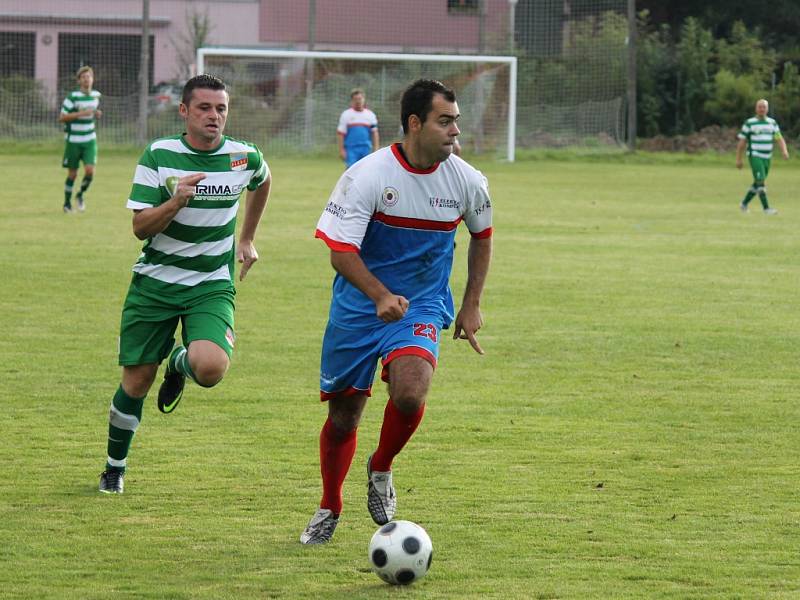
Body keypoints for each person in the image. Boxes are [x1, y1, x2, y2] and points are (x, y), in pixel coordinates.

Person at [300, 79, 493, 544]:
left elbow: (482, 237)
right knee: (344, 417)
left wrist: (469, 305)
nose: (455, 132)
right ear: (414, 123)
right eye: (444, 121)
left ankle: (381, 466)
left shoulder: (467, 180)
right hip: (359, 305)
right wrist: (379, 296)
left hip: (421, 303)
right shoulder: (367, 175)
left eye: (456, 122)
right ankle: (330, 505)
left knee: (410, 392)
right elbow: (340, 252)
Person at [98, 74, 272, 494]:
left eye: (221, 109)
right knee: (136, 383)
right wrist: (175, 201)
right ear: (184, 111)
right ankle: (114, 466)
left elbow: (263, 181)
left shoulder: (242, 156)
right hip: (155, 283)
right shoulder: (159, 155)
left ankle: (180, 362)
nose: (215, 116)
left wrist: (246, 237)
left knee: (210, 369)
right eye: (205, 108)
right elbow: (140, 228)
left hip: (210, 283)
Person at [59, 66, 102, 213]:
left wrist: (96, 114)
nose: (86, 79)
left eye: (89, 76)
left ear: (92, 79)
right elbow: (62, 117)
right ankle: (66, 203)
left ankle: (80, 195)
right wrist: (81, 113)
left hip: (90, 139)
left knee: (90, 171)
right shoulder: (73, 97)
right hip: (74, 141)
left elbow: (93, 113)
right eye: (83, 77)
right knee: (73, 174)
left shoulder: (96, 95)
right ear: (79, 80)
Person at [736, 98, 789, 215]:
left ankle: (744, 204)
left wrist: (784, 150)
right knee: (761, 181)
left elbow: (779, 138)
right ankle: (766, 208)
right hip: (755, 155)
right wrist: (739, 159)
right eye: (759, 107)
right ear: (756, 108)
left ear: (767, 109)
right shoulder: (750, 123)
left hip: (767, 157)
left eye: (764, 107)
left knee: (758, 181)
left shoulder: (772, 123)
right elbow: (742, 142)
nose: (762, 109)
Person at [337, 88, 379, 168]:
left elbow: (375, 133)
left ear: (364, 99)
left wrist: (376, 148)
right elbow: (340, 134)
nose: (358, 101)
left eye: (360, 99)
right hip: (351, 149)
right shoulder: (346, 114)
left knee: (366, 171)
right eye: (355, 99)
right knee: (351, 172)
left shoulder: (370, 115)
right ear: (352, 101)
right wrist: (341, 150)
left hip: (366, 148)